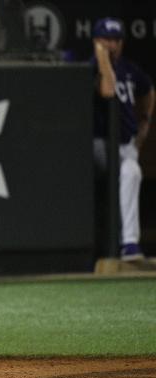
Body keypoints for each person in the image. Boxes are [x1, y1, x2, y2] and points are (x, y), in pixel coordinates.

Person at [92, 18, 155, 261]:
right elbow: (108, 90)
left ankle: (129, 244)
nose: (112, 44)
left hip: (125, 145)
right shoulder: (92, 67)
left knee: (132, 172)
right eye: (106, 39)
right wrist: (102, 59)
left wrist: (146, 122)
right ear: (96, 41)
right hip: (98, 146)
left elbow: (149, 90)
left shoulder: (129, 68)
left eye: (116, 40)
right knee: (127, 171)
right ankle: (118, 242)